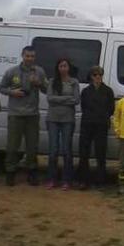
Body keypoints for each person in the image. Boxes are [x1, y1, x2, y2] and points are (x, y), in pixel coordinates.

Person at [0, 46, 47, 186]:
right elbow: (1, 88)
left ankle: (31, 172)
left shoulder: (39, 71)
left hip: (32, 115)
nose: (30, 58)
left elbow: (47, 89)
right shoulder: (12, 72)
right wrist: (13, 93)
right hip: (16, 114)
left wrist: (38, 83)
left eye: (32, 56)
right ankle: (10, 172)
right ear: (22, 56)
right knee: (13, 146)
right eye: (27, 56)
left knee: (32, 146)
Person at [77, 66, 115, 189]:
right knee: (84, 153)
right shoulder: (86, 91)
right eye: (95, 75)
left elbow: (111, 108)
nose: (97, 77)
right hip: (87, 124)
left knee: (101, 153)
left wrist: (102, 116)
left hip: (101, 125)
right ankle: (84, 180)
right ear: (91, 76)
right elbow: (84, 107)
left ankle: (101, 181)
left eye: (99, 75)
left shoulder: (108, 91)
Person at [46, 59, 80, 190]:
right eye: (61, 66)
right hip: (53, 119)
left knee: (67, 151)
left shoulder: (74, 82)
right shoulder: (52, 81)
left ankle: (67, 180)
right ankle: (52, 179)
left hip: (68, 120)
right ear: (57, 68)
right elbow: (49, 98)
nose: (63, 68)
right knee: (53, 151)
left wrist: (58, 100)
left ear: (69, 67)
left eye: (65, 66)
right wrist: (67, 99)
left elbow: (76, 100)